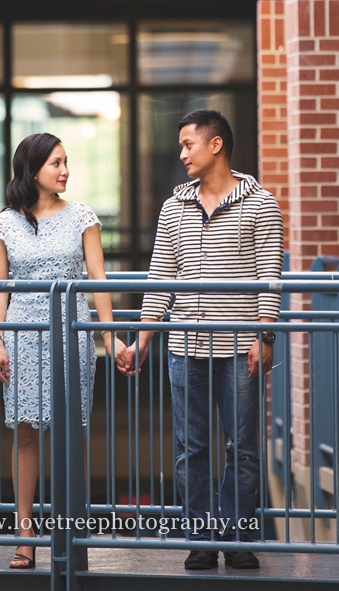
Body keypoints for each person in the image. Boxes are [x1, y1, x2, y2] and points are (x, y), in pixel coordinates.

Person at [122, 109, 283, 572]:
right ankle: (199, 538)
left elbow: (268, 275)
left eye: (188, 144)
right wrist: (144, 338)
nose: (181, 153)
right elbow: (160, 278)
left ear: (215, 145)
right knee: (190, 447)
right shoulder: (175, 207)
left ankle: (236, 538)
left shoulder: (261, 204)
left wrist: (264, 334)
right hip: (185, 349)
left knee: (243, 446)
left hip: (238, 348)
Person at [0, 132, 129, 569]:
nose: (65, 170)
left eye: (66, 162)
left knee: (74, 433)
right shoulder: (4, 224)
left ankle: (72, 532)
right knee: (25, 432)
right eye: (55, 163)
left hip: (71, 330)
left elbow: (98, 278)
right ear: (32, 171)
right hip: (22, 332)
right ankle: (25, 536)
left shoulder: (82, 215)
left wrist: (111, 334)